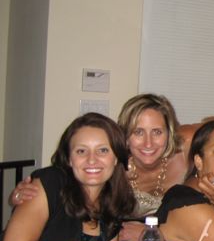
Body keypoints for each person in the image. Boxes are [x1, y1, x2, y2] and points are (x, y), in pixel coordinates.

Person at [9, 93, 190, 219]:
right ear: (125, 135)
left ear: (169, 132)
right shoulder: (108, 164)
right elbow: (64, 185)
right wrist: (20, 198)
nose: (148, 143)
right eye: (138, 132)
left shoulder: (185, 152)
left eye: (157, 132)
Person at [1, 113, 136, 241]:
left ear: (116, 158)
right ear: (70, 159)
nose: (92, 159)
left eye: (103, 150)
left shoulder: (112, 202)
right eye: (81, 151)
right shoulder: (50, 182)